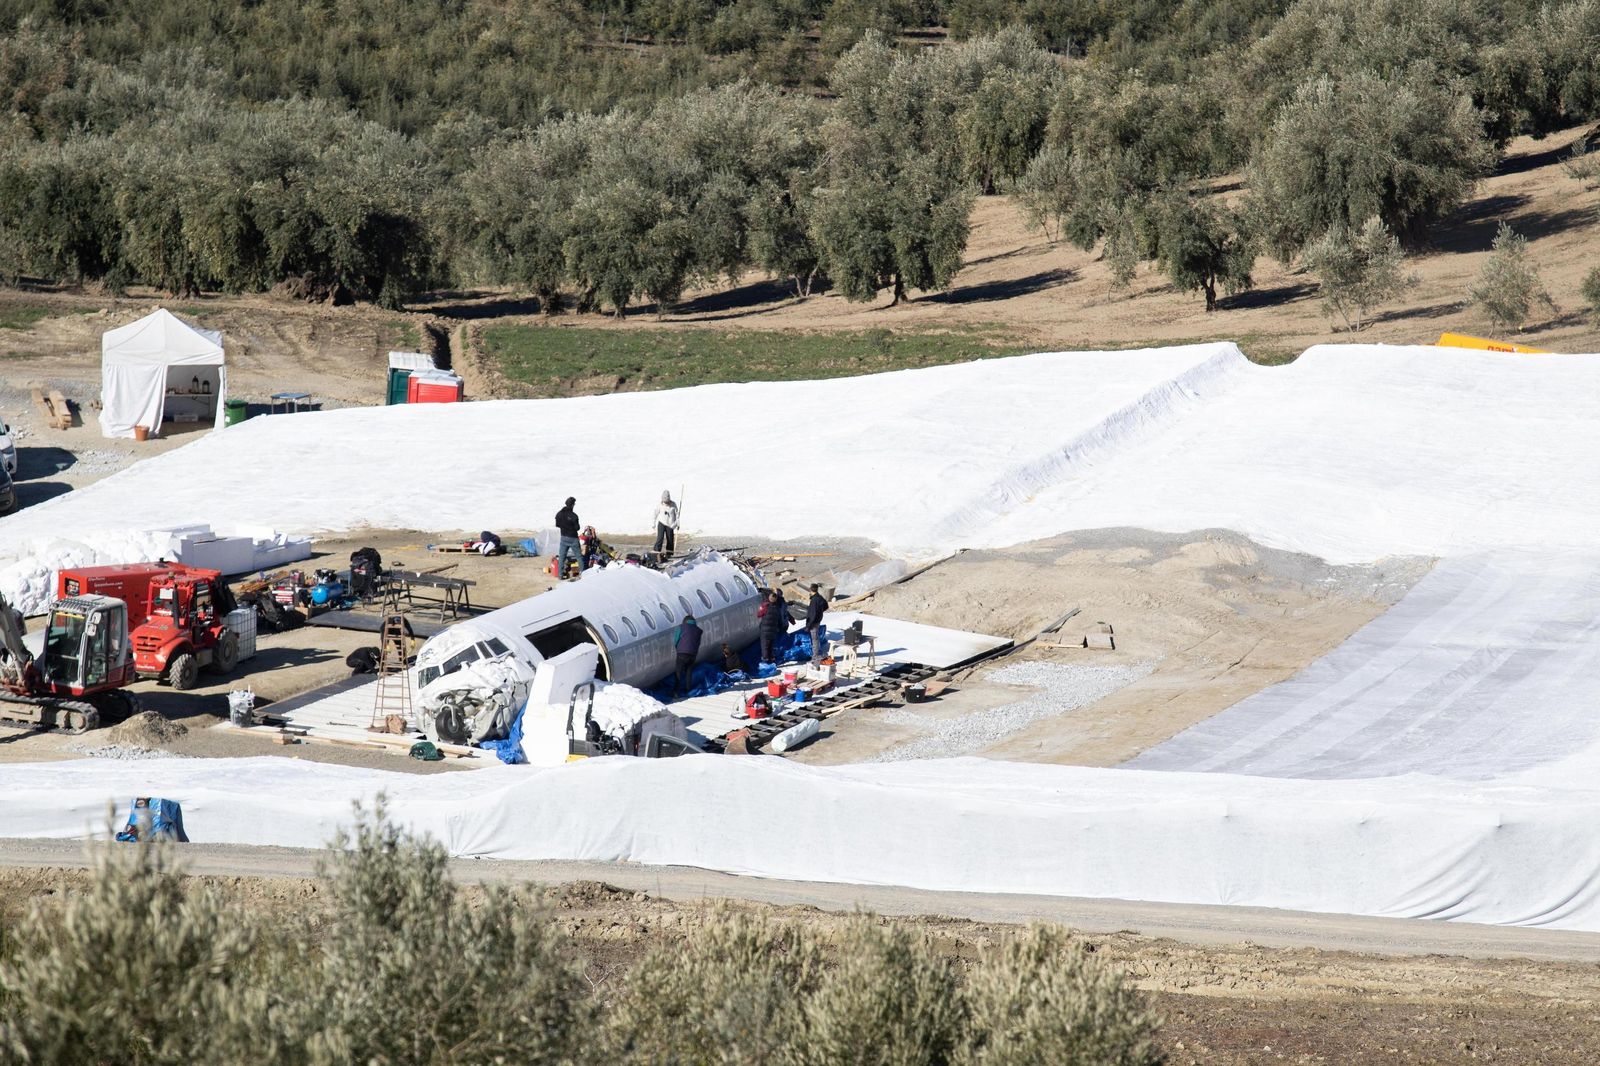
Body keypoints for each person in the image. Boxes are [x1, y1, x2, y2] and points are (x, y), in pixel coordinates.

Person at [673, 613, 703, 697]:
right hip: (693, 654)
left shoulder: (681, 627)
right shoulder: (698, 630)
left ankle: (676, 691)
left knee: (678, 672)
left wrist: (678, 648)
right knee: (688, 672)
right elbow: (698, 643)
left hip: (681, 653)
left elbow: (676, 640)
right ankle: (688, 689)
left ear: (685, 621)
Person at [757, 589, 789, 664]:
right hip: (773, 630)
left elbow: (759, 615)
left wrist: (761, 608)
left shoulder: (765, 606)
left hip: (765, 630)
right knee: (771, 645)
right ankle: (772, 659)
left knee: (765, 645)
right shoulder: (777, 609)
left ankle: (765, 661)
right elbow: (780, 620)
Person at [555, 496, 580, 579]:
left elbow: (557, 524)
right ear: (572, 505)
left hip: (563, 537)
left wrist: (565, 526)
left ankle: (560, 575)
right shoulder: (574, 516)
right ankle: (584, 574)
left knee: (562, 556)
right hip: (573, 538)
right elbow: (577, 528)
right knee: (579, 556)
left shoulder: (559, 514)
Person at [805, 583, 828, 664]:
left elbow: (813, 614)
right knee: (816, 638)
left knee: (814, 639)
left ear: (811, 590)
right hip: (817, 621)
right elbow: (826, 606)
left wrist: (809, 625)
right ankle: (816, 654)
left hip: (813, 622)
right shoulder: (820, 597)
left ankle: (815, 656)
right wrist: (820, 611)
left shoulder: (814, 600)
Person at [653, 490, 680, 556]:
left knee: (670, 540)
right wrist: (653, 523)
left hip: (670, 524)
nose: (666, 503)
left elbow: (677, 515)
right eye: (664, 501)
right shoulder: (659, 505)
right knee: (660, 538)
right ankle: (656, 553)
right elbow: (655, 514)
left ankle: (669, 554)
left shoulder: (673, 504)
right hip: (661, 523)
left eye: (667, 501)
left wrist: (677, 523)